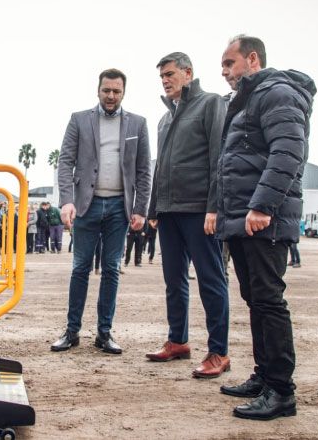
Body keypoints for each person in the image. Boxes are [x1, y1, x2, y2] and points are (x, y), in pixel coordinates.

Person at [216, 35, 315, 421]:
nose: (224, 72)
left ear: (252, 59)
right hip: (243, 219)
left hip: (263, 219)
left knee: (270, 302)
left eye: (229, 63)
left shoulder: (277, 93)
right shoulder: (246, 102)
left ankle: (281, 392)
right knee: (256, 300)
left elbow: (288, 151)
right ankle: (264, 376)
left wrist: (261, 206)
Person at [51, 68, 151, 354]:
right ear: (98, 89)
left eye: (116, 91)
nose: (111, 95)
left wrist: (140, 208)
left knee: (111, 270)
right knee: (80, 267)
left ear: (123, 93)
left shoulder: (138, 124)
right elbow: (65, 161)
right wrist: (66, 200)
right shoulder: (79, 120)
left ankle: (104, 334)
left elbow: (144, 170)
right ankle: (72, 331)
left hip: (120, 208)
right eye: (106, 90)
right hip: (86, 205)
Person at [144, 52, 231, 381]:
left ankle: (218, 351)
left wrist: (214, 206)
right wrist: (154, 208)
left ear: (188, 73)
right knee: (174, 281)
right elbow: (159, 165)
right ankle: (178, 340)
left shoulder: (210, 104)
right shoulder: (164, 120)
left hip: (198, 210)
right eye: (161, 77)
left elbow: (218, 158)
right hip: (168, 213)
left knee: (211, 280)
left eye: (169, 74)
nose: (165, 80)